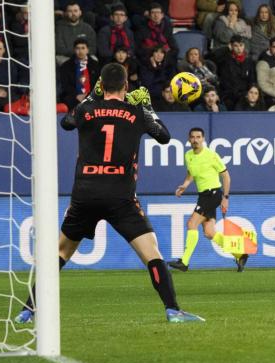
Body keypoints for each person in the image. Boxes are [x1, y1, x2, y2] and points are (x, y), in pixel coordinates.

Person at [14, 63, 204, 324]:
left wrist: (92, 96)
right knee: (152, 253)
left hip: (85, 194)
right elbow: (164, 137)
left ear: (101, 85)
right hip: (120, 196)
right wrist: (147, 106)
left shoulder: (86, 109)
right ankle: (172, 310)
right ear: (127, 87)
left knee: (60, 253)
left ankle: (27, 310)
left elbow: (66, 122)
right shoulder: (136, 111)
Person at [168, 127, 248, 272]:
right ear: (189, 139)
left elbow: (226, 176)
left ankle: (184, 262)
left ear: (203, 139)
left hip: (213, 194)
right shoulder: (188, 155)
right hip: (203, 195)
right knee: (209, 232)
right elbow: (191, 173)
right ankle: (240, 254)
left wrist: (225, 198)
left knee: (191, 224)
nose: (195, 140)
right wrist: (185, 185)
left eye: (198, 137)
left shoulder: (211, 155)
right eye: (192, 137)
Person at [208, 35, 256, 110]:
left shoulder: (249, 61)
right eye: (236, 46)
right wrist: (226, 48)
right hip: (228, 95)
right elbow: (210, 57)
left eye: (241, 45)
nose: (239, 49)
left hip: (244, 96)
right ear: (231, 46)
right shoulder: (225, 60)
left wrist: (247, 94)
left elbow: (252, 80)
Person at [60, 38, 101, 110]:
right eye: (78, 48)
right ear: (74, 50)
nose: (80, 51)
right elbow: (65, 85)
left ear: (87, 50)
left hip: (92, 96)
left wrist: (88, 96)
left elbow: (99, 83)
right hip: (73, 97)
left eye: (83, 48)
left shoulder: (95, 65)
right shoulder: (66, 66)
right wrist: (76, 95)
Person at [55, 1, 97, 65]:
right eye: (70, 11)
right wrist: (76, 53)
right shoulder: (59, 28)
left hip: (85, 56)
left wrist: (82, 53)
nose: (73, 13)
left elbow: (93, 47)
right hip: (66, 57)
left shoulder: (87, 28)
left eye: (75, 11)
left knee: (94, 59)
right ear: (66, 13)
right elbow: (59, 48)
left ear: (80, 12)